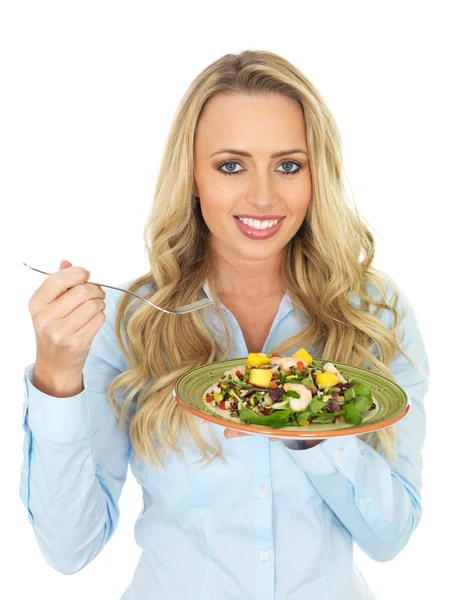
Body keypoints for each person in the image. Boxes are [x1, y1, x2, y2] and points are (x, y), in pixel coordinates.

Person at [20, 50, 429, 600]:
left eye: (289, 165)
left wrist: (304, 422)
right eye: (231, 165)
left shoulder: (375, 314)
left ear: (317, 175)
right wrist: (57, 376)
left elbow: (392, 536)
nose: (263, 196)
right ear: (192, 176)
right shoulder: (131, 324)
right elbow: (70, 549)